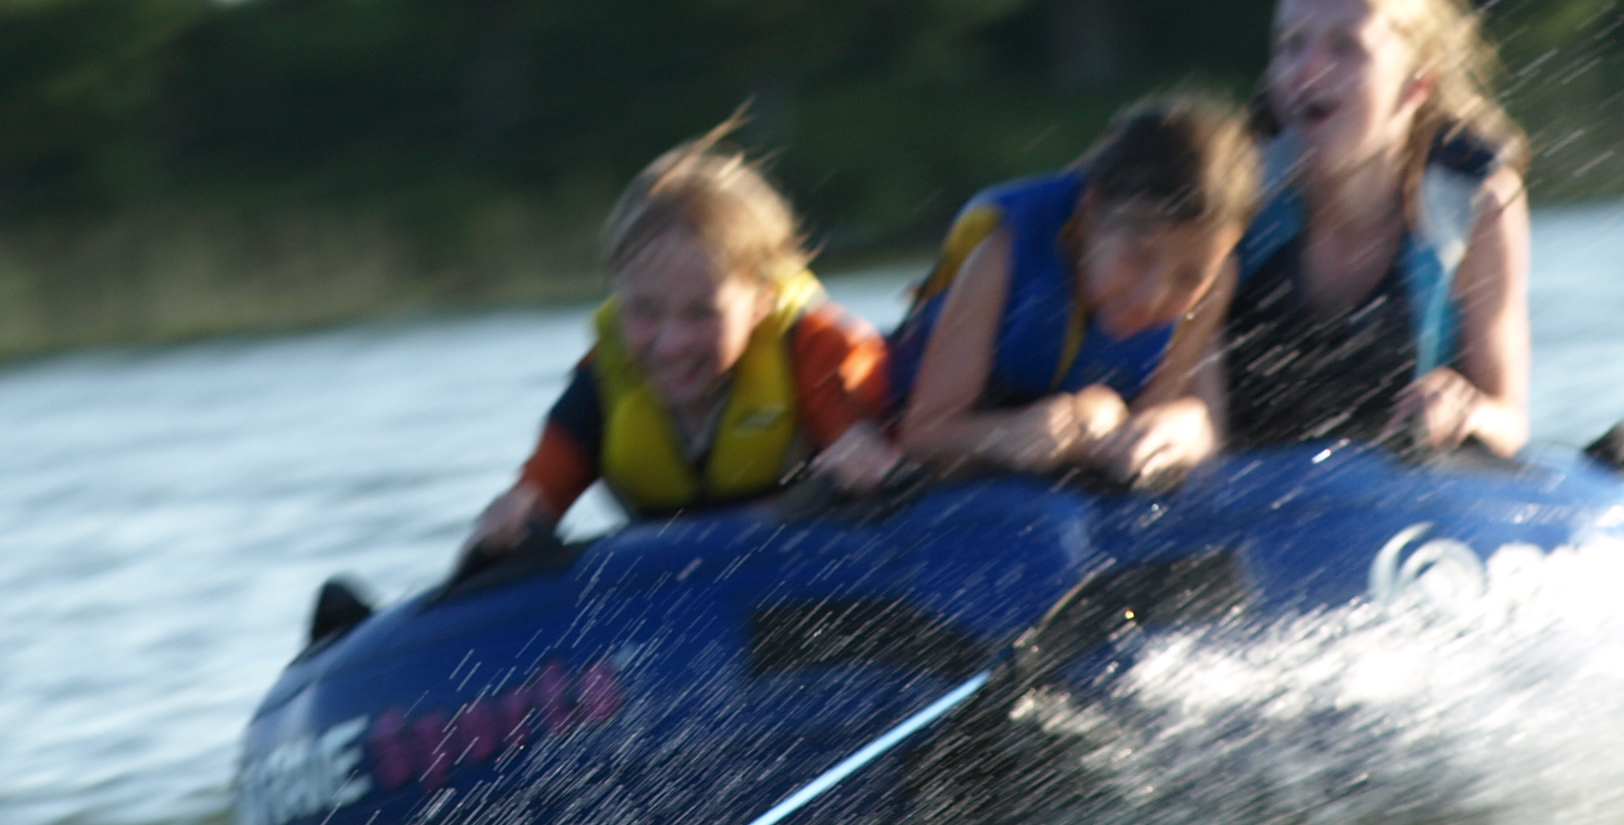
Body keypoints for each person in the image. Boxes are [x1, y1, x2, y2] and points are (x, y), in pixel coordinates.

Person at [464, 126, 896, 557]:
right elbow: (528, 504)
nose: (671, 344)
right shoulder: (601, 387)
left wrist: (870, 457)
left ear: (761, 304)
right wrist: (505, 521)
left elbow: (889, 468)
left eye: (701, 313)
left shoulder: (817, 356)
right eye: (644, 310)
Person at [1221, 0, 1530, 455]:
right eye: (1291, 44)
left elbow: (1509, 418)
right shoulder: (1232, 194)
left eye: (1345, 47)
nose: (1304, 71)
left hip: (1399, 492)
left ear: (1417, 85)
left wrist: (1463, 409)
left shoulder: (1478, 205)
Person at [888, 92, 1261, 488]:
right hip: (984, 440)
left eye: (1188, 277)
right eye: (1136, 258)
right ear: (1088, 214)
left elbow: (1167, 418)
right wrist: (1003, 436)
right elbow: (922, 434)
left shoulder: (1215, 280)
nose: (1151, 297)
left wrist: (1187, 428)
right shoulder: (1002, 252)